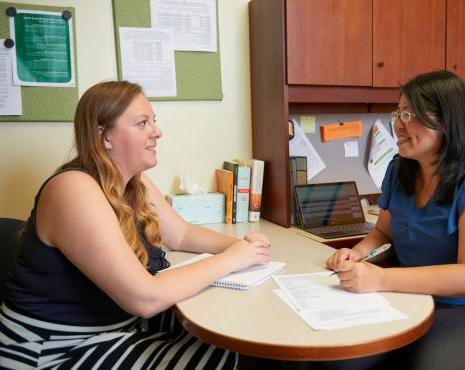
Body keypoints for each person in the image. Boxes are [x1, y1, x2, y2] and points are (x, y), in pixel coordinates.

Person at [0, 81, 271, 369]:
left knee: (228, 324)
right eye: (142, 123)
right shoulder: (72, 189)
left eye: (154, 121)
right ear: (104, 136)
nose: (157, 132)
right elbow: (145, 298)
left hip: (112, 327)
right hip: (54, 349)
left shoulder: (133, 181)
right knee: (227, 355)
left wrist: (241, 246)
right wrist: (231, 260)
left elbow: (181, 235)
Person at [327, 71, 465, 370]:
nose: (398, 124)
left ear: (448, 121)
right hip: (419, 298)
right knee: (340, 359)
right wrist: (360, 254)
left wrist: (380, 279)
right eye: (397, 113)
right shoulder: (401, 168)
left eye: (410, 114)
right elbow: (383, 234)